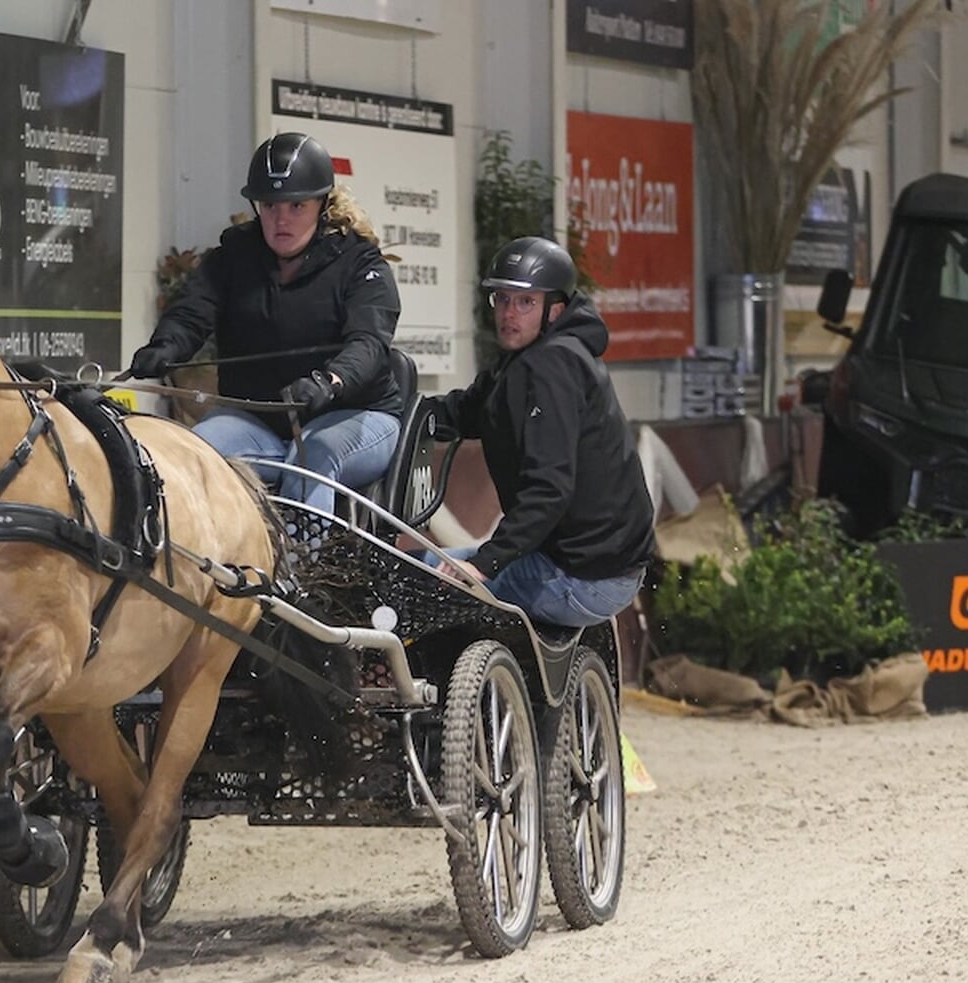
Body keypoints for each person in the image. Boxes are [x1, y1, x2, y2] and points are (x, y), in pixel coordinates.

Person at [128, 132, 403, 515]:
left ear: (322, 205)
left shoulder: (360, 264)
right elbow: (191, 312)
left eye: (296, 206)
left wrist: (330, 381)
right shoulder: (232, 257)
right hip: (260, 420)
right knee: (195, 451)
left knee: (312, 458)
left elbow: (369, 344)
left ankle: (303, 569)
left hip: (357, 416)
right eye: (270, 206)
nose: (281, 219)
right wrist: (165, 347)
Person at [424, 237, 655, 628]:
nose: (509, 314)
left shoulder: (550, 367)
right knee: (430, 564)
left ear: (555, 309)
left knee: (428, 582)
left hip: (582, 576)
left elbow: (548, 489)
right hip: (594, 565)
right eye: (502, 299)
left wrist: (485, 564)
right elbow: (470, 411)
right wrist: (404, 414)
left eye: (525, 302)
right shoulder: (527, 360)